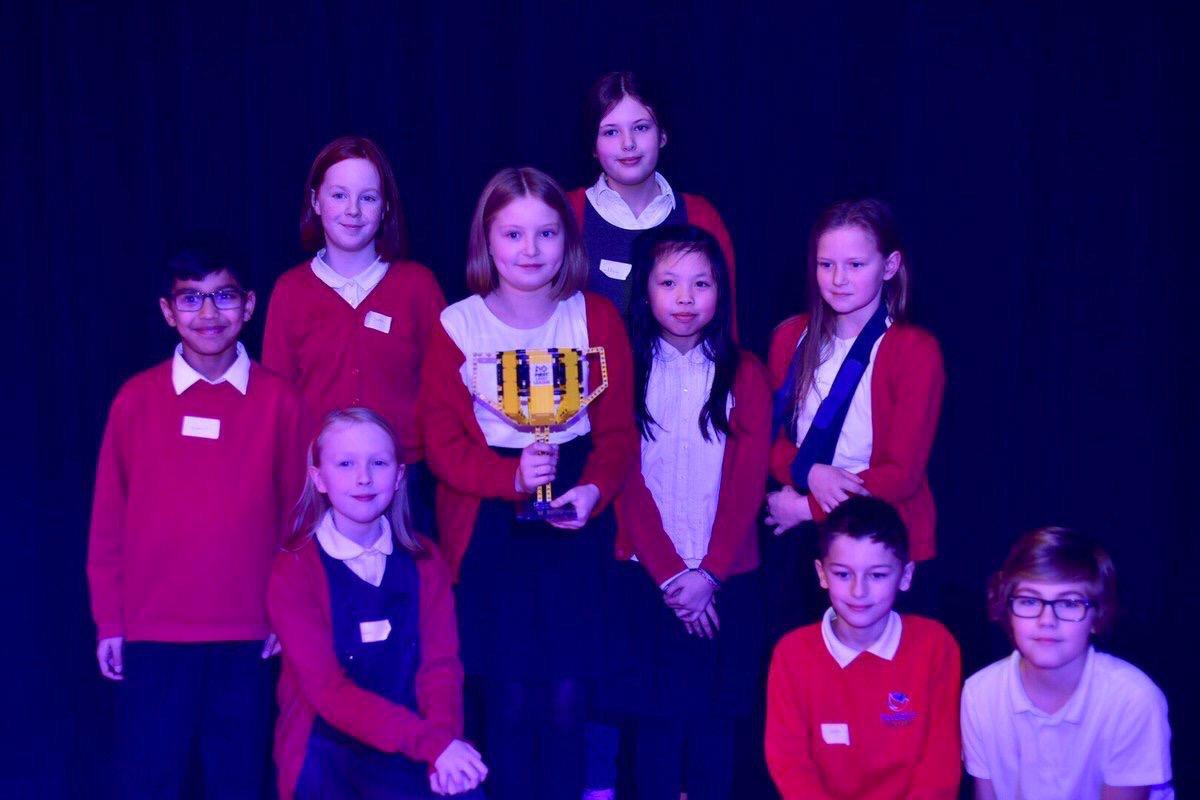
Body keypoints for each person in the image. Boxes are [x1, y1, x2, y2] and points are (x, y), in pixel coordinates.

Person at [418, 167, 637, 799]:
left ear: (568, 240)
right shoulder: (457, 326)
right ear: (486, 241)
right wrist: (509, 476)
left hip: (574, 519)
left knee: (569, 699)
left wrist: (593, 490)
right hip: (491, 527)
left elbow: (618, 434)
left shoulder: (595, 318)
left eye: (546, 233)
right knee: (508, 700)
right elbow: (443, 447)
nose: (530, 250)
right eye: (513, 234)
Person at [87, 238, 305, 798]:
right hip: (154, 633)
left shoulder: (280, 401)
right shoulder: (135, 400)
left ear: (249, 305)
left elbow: (299, 520)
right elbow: (108, 523)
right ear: (168, 311)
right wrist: (110, 620)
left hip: (248, 634)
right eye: (191, 299)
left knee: (237, 780)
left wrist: (286, 613)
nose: (209, 313)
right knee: (149, 780)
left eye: (224, 296)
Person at [607, 224, 770, 799]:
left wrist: (709, 575)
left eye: (701, 284)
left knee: (712, 730)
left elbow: (747, 482)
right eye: (669, 282)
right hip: (647, 579)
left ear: (721, 292)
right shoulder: (623, 370)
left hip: (724, 581)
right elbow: (624, 479)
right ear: (644, 290)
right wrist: (674, 576)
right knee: (651, 732)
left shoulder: (745, 373)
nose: (685, 298)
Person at [268, 408, 487, 799]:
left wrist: (442, 749)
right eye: (345, 463)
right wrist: (432, 744)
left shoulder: (426, 560)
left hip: (415, 745)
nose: (363, 478)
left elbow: (440, 668)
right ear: (318, 478)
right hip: (326, 753)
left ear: (400, 476)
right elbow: (329, 693)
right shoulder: (295, 569)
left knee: (467, 786)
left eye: (379, 463)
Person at [764, 198, 944, 635]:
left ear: (889, 266)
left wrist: (806, 506)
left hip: (884, 537)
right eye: (826, 265)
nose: (838, 279)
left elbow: (901, 474)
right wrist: (811, 474)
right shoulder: (790, 337)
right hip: (806, 540)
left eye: (855, 265)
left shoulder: (913, 350)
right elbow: (768, 440)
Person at [262, 135, 446, 527]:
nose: (353, 210)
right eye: (339, 195)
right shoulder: (290, 291)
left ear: (386, 207)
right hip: (317, 486)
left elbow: (443, 391)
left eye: (368, 197)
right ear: (316, 202)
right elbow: (278, 400)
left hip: (405, 485)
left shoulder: (417, 286)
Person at [765, 496, 961, 799]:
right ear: (822, 574)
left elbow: (940, 764)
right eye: (843, 574)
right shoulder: (792, 654)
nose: (859, 591)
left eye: (877, 575)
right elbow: (789, 764)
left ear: (905, 576)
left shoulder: (935, 646)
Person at [961, 527, 1174, 799]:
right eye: (1029, 601)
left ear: (1097, 616)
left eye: (1070, 603)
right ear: (1007, 610)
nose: (1047, 620)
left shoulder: (1133, 699)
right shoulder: (980, 693)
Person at [565, 70, 735, 319]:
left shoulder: (701, 217)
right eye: (611, 132)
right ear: (593, 146)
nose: (628, 143)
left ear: (662, 135)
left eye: (641, 127)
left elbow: (725, 324)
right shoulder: (565, 214)